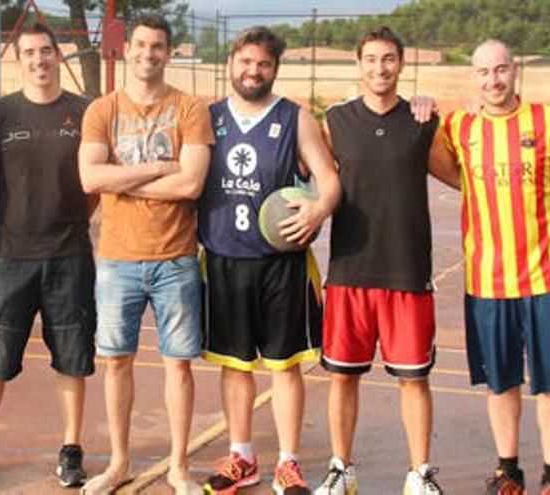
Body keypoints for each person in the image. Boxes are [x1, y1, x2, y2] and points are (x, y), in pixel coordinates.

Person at [0, 22, 98, 492]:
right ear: (19, 61)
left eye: (46, 51)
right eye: (30, 52)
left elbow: (93, 186)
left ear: (59, 56)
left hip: (70, 256)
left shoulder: (84, 111)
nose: (39, 60)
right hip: (11, 260)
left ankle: (71, 450)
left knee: (71, 360)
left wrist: (71, 219)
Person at [196, 26, 340, 495]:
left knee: (284, 366)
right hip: (223, 257)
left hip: (281, 263)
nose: (253, 71)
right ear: (231, 62)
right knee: (235, 364)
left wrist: (319, 208)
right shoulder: (208, 117)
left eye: (263, 64)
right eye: (246, 61)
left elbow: (329, 179)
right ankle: (242, 457)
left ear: (274, 68)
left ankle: (288, 462)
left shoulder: (295, 118)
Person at [78, 13, 214, 495]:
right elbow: (91, 179)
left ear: (168, 53)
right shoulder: (103, 109)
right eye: (140, 45)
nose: (148, 54)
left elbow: (193, 183)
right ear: (126, 49)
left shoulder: (190, 108)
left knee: (178, 363)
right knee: (117, 361)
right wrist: (159, 167)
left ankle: (179, 466)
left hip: (176, 256)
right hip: (116, 258)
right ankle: (118, 463)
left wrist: (125, 177)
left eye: (158, 46)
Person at [436, 39, 550, 494]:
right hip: (487, 280)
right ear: (473, 77)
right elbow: (422, 154)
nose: (493, 80)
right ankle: (508, 469)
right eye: (483, 72)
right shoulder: (458, 127)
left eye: (500, 70)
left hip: (548, 277)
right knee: (501, 383)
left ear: (514, 70)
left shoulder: (549, 121)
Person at [315, 26, 454, 495]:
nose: (380, 68)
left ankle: (420, 472)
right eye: (371, 59)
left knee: (414, 381)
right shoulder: (336, 120)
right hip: (350, 269)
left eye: (389, 59)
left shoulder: (421, 122)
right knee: (342, 379)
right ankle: (341, 468)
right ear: (359, 64)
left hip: (407, 270)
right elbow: (302, 172)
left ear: (401, 64)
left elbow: (461, 177)